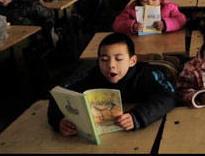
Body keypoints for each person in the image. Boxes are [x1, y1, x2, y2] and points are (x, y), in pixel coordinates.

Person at [47, 32, 176, 134]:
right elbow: (59, 95)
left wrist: (138, 116)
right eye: (104, 60)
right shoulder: (94, 76)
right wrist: (59, 120)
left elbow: (168, 96)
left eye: (119, 59)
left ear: (132, 61)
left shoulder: (147, 74)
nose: (111, 65)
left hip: (143, 133)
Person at [113, 0, 186, 36]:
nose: (150, 3)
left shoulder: (168, 7)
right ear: (139, 0)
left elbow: (181, 20)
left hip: (164, 42)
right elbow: (116, 25)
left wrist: (165, 24)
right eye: (144, 0)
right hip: (141, 43)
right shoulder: (131, 9)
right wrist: (132, 26)